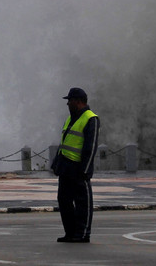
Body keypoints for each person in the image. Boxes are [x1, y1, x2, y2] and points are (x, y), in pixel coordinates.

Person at [51, 87, 100, 243]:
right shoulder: (70, 118)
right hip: (65, 167)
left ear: (78, 102)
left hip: (79, 168)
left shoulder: (91, 118)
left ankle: (83, 234)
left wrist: (85, 170)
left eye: (69, 101)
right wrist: (56, 163)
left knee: (82, 203)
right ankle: (70, 233)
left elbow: (90, 147)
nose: (67, 104)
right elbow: (65, 141)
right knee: (63, 201)